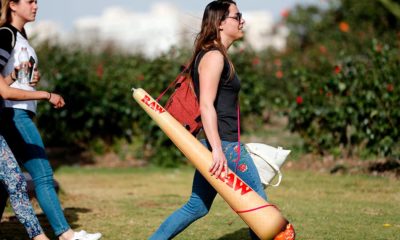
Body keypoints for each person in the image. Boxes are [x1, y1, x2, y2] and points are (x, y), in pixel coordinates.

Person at [150, 1, 294, 239]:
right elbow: (206, 105)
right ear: (220, 23)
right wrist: (218, 150)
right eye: (237, 16)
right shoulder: (214, 57)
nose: (242, 21)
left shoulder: (217, 55)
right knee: (259, 210)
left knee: (197, 207)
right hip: (225, 146)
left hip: (218, 145)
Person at [0, 1, 102, 240]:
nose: (36, 6)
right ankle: (66, 235)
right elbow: (1, 89)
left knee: (8, 180)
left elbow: (6, 79)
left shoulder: (20, 36)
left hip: (18, 110)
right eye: (30, 1)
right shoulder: (6, 35)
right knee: (43, 174)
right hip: (14, 112)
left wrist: (19, 76)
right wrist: (46, 94)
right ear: (13, 5)